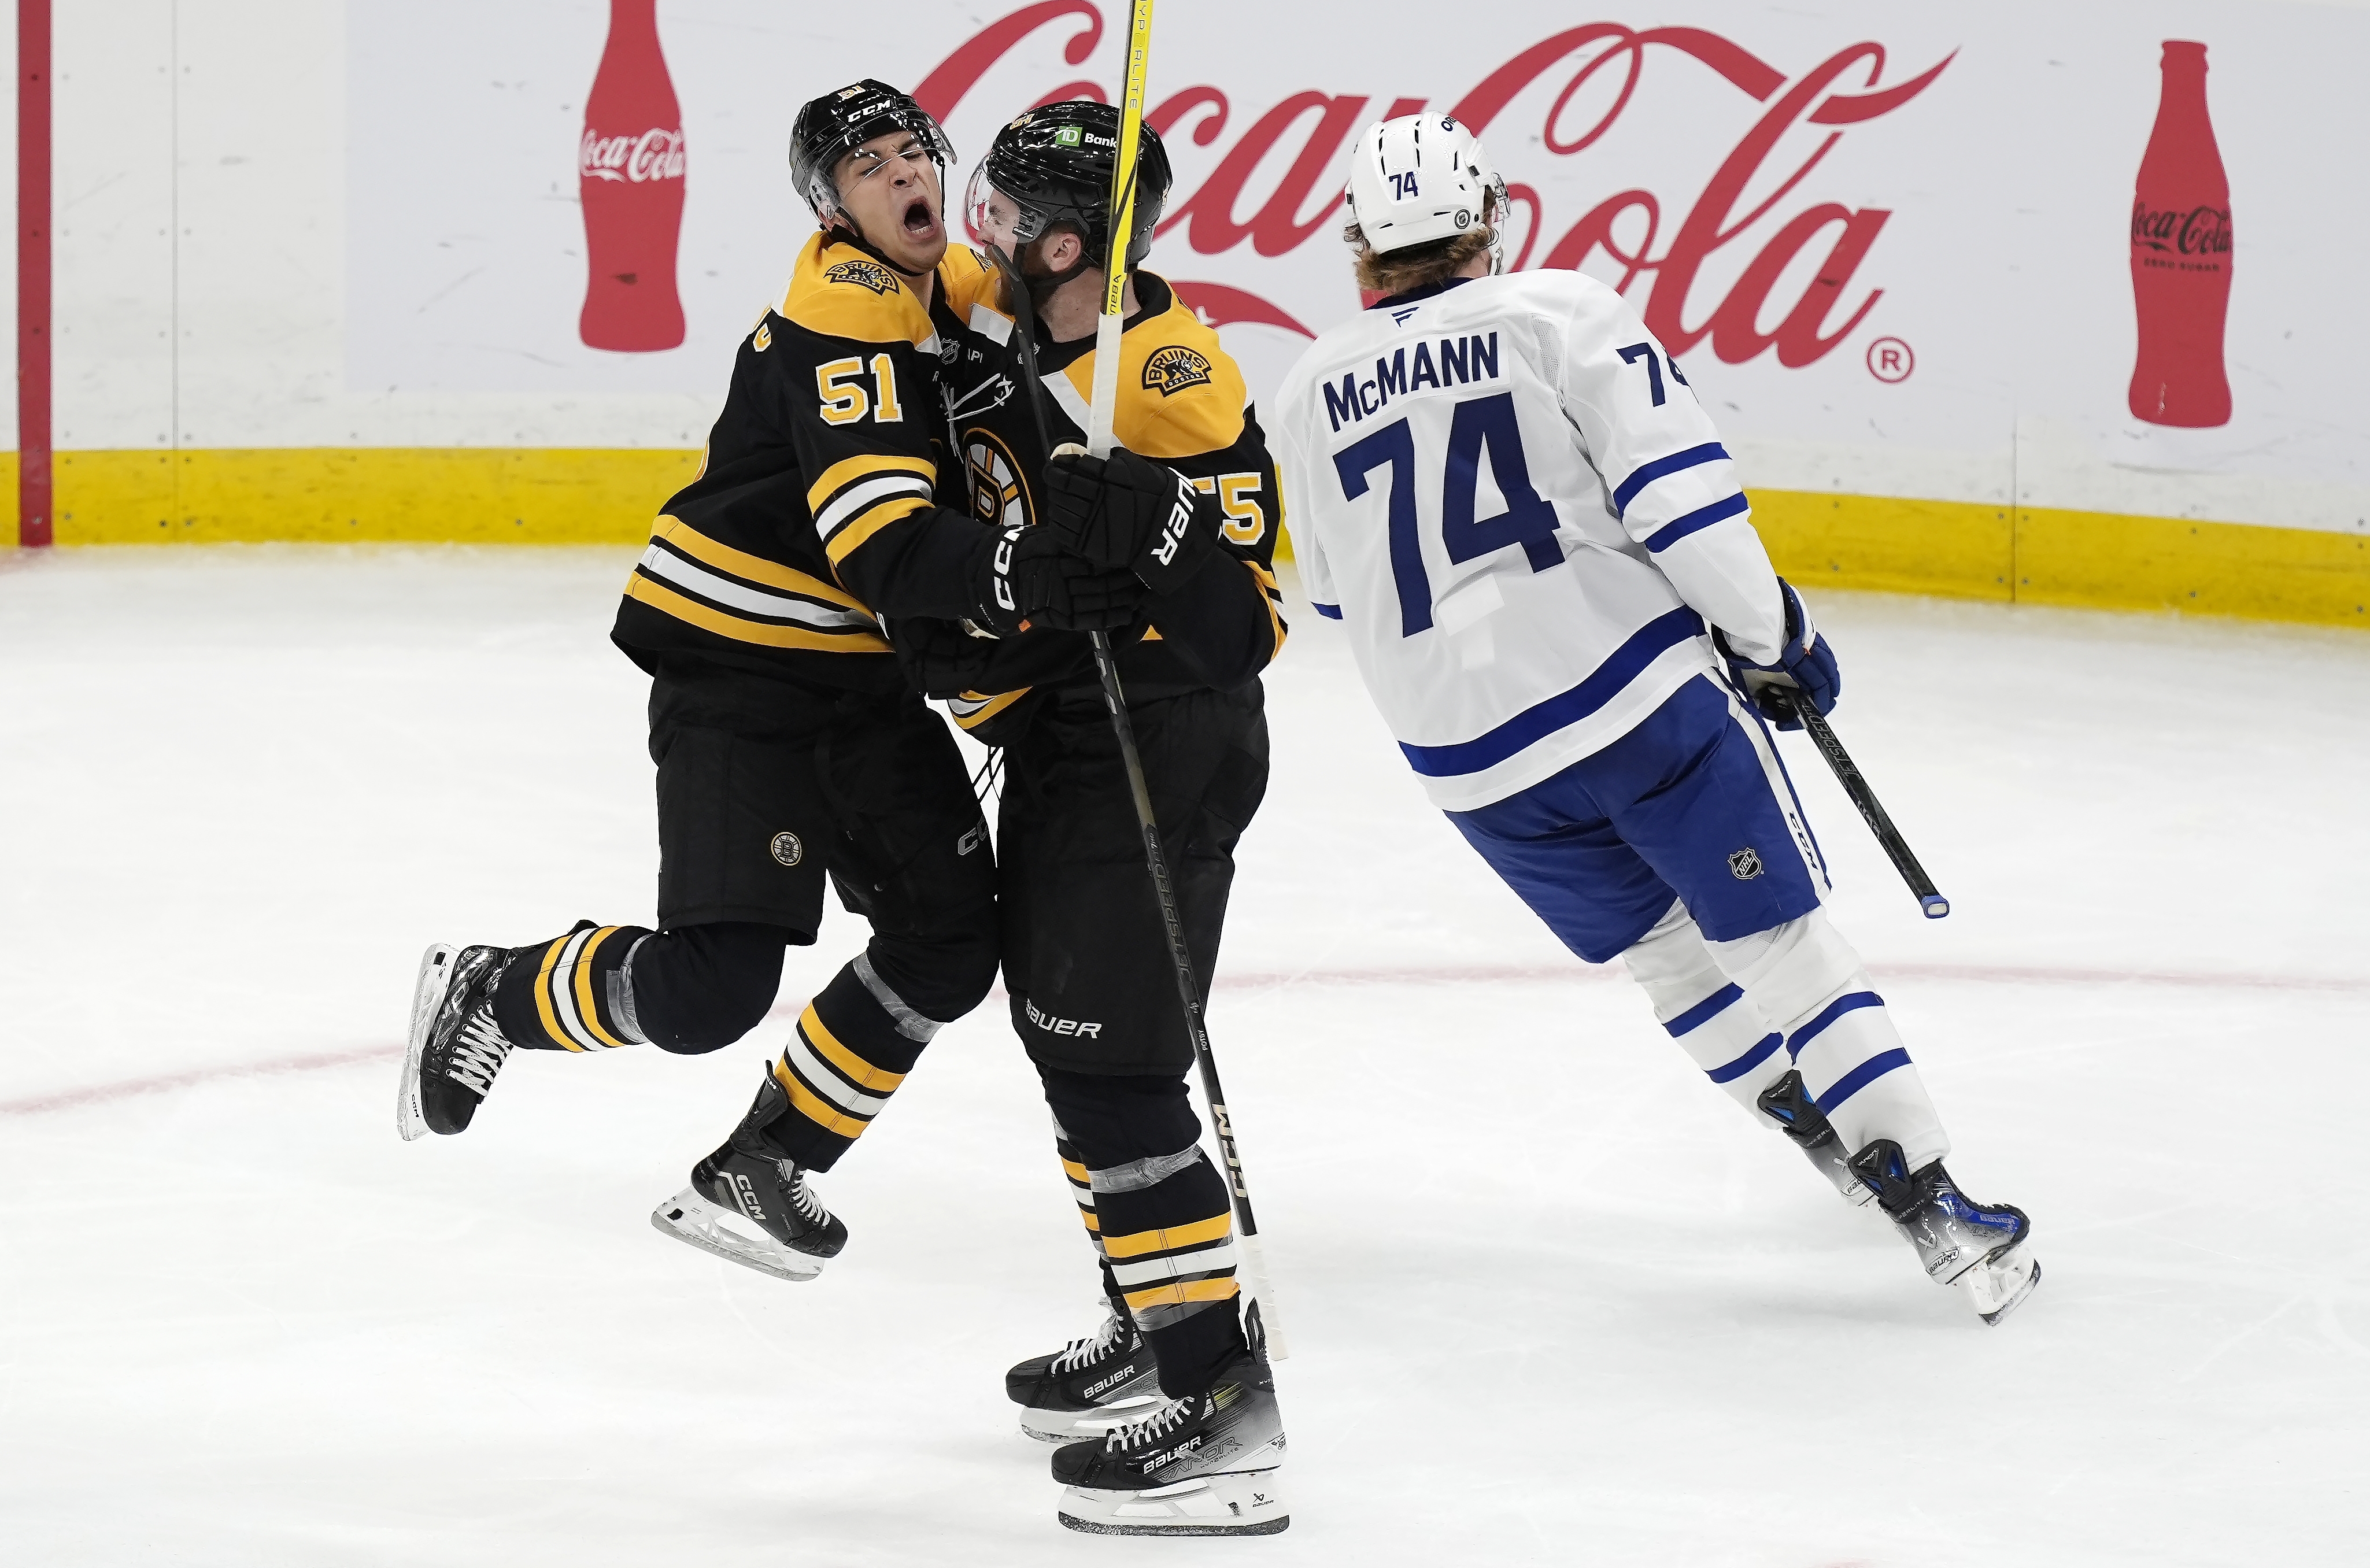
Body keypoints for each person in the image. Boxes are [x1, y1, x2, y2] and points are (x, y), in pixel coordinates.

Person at [1267, 113, 2039, 1325]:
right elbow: (1679, 508)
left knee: (1668, 957)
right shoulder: (1558, 314)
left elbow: (1326, 589)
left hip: (1468, 761)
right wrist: (1775, 639)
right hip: (1631, 700)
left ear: (1357, 248)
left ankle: (1819, 1131)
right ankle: (1928, 1193)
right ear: (1490, 220)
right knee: (1776, 937)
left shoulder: (1304, 387)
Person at [397, 79, 1140, 1285]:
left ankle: (769, 1157)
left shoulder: (936, 286)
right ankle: (499, 986)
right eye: (870, 171)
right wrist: (1032, 573)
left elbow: (1040, 302)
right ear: (832, 210)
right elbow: (885, 546)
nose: (905, 180)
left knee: (948, 943)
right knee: (707, 993)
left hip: (849, 677)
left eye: (915, 156)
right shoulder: (842, 316)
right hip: (739, 665)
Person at [911, 102, 1291, 1534]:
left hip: (1163, 741)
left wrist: (1158, 525)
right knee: (1077, 1045)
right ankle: (1155, 1308)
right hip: (1077, 735)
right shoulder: (1031, 314)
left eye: (1002, 214)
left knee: (1113, 1067)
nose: (977, 232)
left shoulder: (1171, 376)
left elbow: (1241, 627)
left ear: (1067, 242)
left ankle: (1223, 1408)